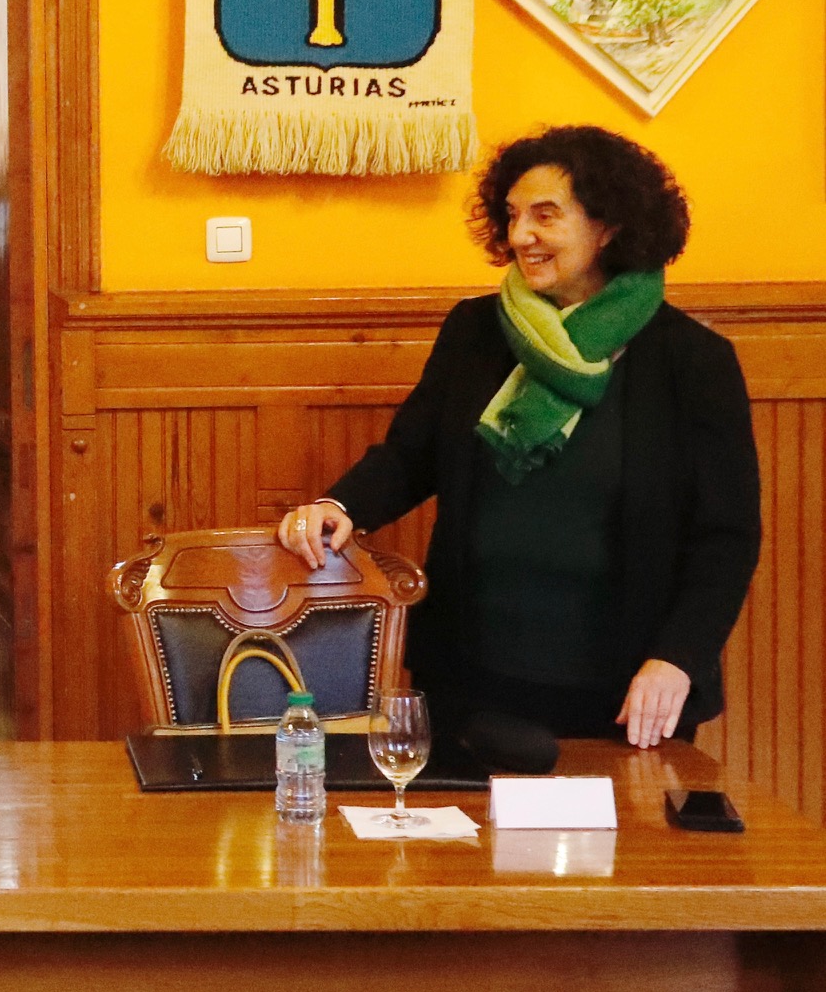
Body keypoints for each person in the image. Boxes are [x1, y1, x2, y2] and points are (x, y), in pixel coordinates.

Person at [277, 126, 760, 748]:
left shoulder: (693, 361)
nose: (520, 235)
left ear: (608, 226)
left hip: (626, 688)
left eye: (545, 216)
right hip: (471, 677)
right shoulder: (475, 331)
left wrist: (678, 658)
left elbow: (726, 535)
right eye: (512, 216)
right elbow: (411, 454)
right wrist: (340, 505)